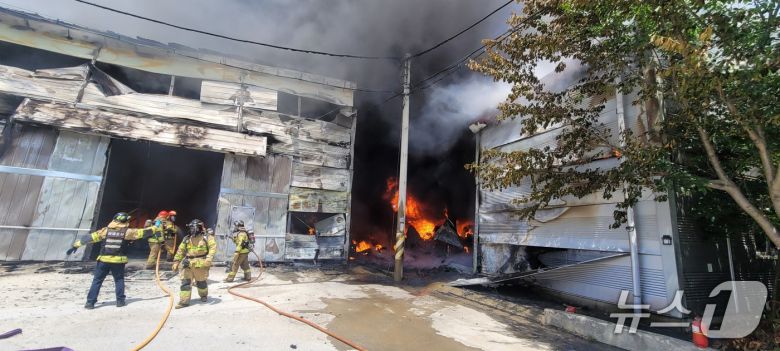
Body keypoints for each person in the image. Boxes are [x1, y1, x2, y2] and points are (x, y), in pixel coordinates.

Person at [65, 212, 154, 309]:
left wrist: (75, 245)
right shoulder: (127, 232)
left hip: (103, 261)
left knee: (97, 281)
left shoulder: (105, 231)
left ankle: (90, 303)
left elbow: (90, 238)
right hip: (118, 262)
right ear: (124, 220)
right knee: (119, 280)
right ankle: (120, 301)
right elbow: (142, 233)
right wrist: (156, 228)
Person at [172, 219, 216, 309]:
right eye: (191, 228)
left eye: (194, 228)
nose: (192, 230)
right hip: (187, 263)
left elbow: (213, 249)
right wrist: (176, 261)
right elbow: (181, 250)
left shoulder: (207, 238)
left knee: (201, 283)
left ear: (199, 227)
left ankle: (203, 295)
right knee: (185, 283)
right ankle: (184, 302)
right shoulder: (187, 238)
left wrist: (209, 259)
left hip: (200, 264)